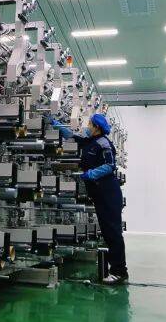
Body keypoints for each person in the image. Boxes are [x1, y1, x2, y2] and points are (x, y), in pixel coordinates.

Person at [46, 112, 128, 285]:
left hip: (108, 192)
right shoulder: (90, 141)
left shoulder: (103, 143)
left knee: (113, 232)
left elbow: (110, 165)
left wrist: (91, 174)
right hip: (99, 193)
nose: (87, 127)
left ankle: (119, 271)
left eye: (90, 124)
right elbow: (71, 135)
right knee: (107, 231)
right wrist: (54, 123)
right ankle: (117, 269)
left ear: (97, 127)